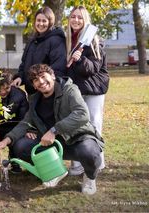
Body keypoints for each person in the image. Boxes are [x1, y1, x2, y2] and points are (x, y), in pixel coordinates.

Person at [0, 64, 104, 195]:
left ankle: (90, 177)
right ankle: (54, 172)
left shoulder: (69, 90)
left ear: (52, 76)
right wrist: (6, 140)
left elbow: (82, 114)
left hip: (78, 138)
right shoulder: (35, 100)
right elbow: (25, 123)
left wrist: (54, 130)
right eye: (36, 80)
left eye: (43, 77)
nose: (41, 82)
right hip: (54, 144)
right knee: (21, 146)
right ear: (34, 85)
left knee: (90, 153)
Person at [65, 6, 109, 175]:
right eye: (73, 17)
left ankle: (97, 162)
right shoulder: (68, 39)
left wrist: (80, 59)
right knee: (76, 125)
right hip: (76, 89)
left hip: (94, 89)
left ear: (85, 20)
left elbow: (92, 68)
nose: (76, 20)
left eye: (80, 17)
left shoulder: (94, 41)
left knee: (94, 124)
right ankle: (76, 165)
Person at [12, 6, 67, 95]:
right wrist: (20, 77)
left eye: (44, 21)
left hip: (47, 92)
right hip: (32, 91)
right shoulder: (32, 41)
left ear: (50, 22)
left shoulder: (56, 41)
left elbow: (58, 68)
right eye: (38, 20)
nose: (41, 24)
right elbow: (24, 64)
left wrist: (44, 86)